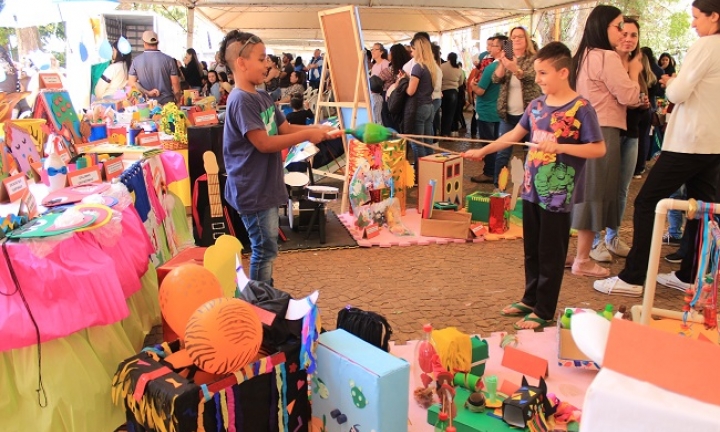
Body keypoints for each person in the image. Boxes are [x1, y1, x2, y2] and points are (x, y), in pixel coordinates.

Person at [463, 42, 605, 330]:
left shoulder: (581, 108)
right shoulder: (536, 105)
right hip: (531, 190)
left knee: (551, 252)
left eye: (543, 73)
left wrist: (563, 147)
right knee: (532, 249)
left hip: (557, 195)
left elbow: (598, 149)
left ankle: (544, 309)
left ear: (563, 72)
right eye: (537, 73)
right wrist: (484, 151)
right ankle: (530, 299)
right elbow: (515, 134)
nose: (537, 79)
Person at [594, 0, 720, 296]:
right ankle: (691, 273)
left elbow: (677, 92)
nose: (693, 24)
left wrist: (672, 81)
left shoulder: (706, 45)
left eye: (696, 17)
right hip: (712, 143)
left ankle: (634, 277)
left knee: (647, 202)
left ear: (714, 17)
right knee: (703, 208)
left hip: (690, 141)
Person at [219, 30, 333, 284]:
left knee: (267, 246)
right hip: (252, 188)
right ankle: (261, 302)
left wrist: (317, 130)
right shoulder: (241, 100)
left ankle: (264, 298)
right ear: (241, 62)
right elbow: (264, 143)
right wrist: (309, 135)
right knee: (264, 249)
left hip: (264, 185)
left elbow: (285, 130)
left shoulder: (261, 97)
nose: (268, 64)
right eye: (261, 59)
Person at [569, 5, 640, 278]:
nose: (622, 32)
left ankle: (579, 254)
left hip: (580, 130)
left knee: (585, 192)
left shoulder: (581, 56)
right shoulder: (606, 57)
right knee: (594, 194)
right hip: (603, 129)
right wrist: (633, 72)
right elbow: (629, 96)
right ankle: (583, 258)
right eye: (617, 26)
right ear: (602, 27)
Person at [491, 26, 542, 189]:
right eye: (513, 37)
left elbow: (531, 78)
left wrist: (515, 69)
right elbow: (496, 80)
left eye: (520, 36)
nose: (517, 40)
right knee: (502, 153)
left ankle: (530, 189)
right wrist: (503, 61)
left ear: (527, 39)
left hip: (530, 114)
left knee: (531, 154)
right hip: (508, 114)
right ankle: (498, 188)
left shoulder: (534, 59)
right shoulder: (506, 58)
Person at [469, 35, 507, 184]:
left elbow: (481, 91)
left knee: (489, 144)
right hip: (499, 110)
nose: (489, 48)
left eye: (493, 45)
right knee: (498, 143)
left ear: (500, 49)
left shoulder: (492, 67)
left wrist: (472, 86)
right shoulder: (507, 67)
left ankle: (489, 172)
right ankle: (498, 172)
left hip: (487, 110)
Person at [128, 30, 181, 105]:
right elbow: (175, 84)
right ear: (157, 43)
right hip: (167, 104)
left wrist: (148, 92)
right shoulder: (169, 60)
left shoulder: (136, 61)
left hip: (146, 105)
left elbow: (131, 83)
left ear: (144, 43)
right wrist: (178, 101)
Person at [440, 52, 463, 136]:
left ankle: (441, 131)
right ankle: (446, 132)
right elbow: (461, 83)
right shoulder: (459, 68)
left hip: (443, 91)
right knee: (450, 114)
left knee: (443, 113)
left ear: (448, 57)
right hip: (453, 92)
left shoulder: (442, 66)